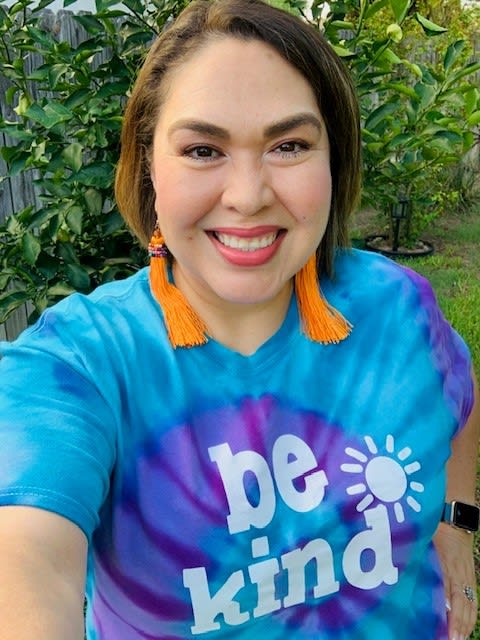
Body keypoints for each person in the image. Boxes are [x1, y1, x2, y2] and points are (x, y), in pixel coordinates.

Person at [0, 0, 478, 638]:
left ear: (332, 157)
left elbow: (459, 399)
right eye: (203, 149)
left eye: (289, 145)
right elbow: (26, 556)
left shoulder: (396, 304)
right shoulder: (80, 367)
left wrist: (457, 521)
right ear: (148, 164)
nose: (248, 196)